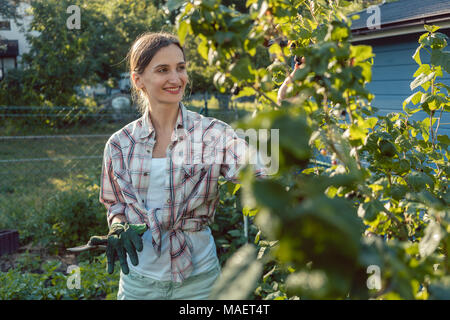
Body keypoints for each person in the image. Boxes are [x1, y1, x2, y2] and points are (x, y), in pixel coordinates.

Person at [96, 31, 267, 300]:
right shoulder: (119, 145)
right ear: (138, 79)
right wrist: (117, 226)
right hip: (140, 283)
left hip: (200, 282)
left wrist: (284, 106)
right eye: (163, 70)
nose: (176, 79)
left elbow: (258, 173)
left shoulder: (212, 134)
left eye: (181, 68)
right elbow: (115, 204)